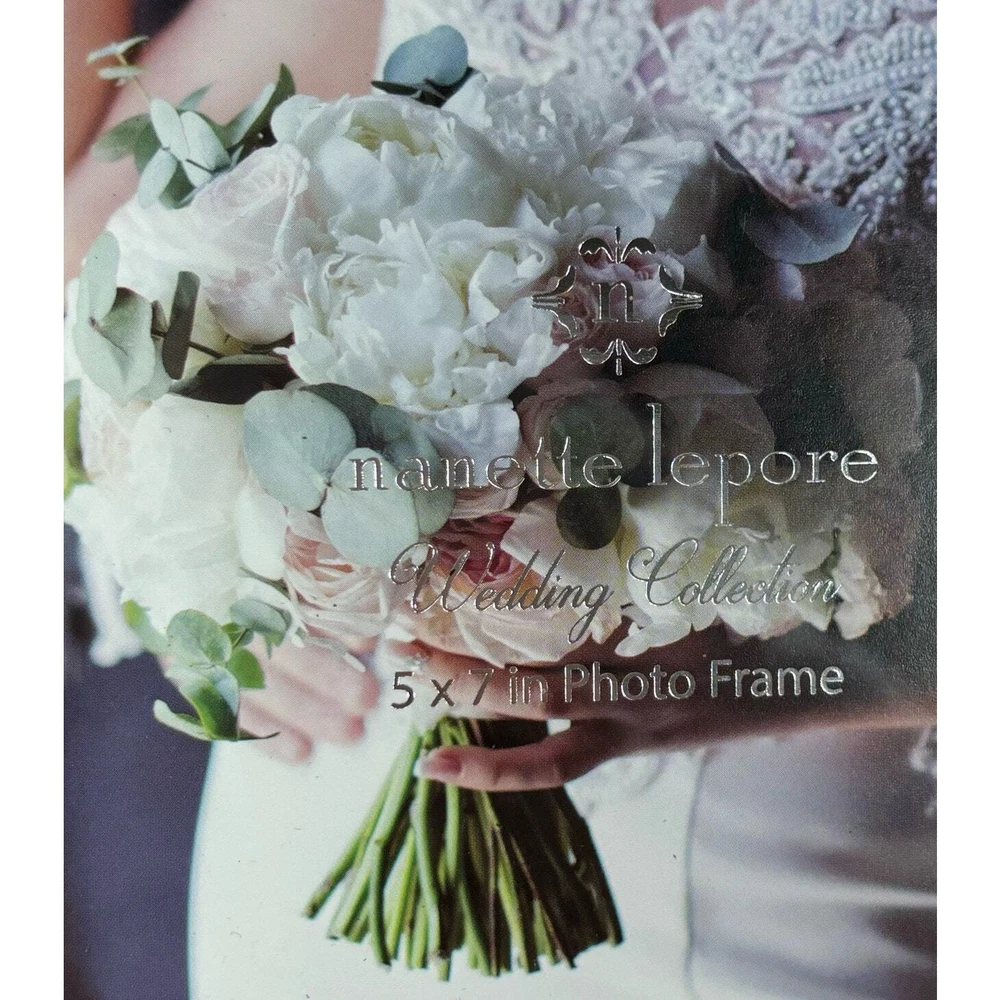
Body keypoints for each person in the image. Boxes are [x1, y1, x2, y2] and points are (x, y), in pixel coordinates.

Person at [66, 1, 937, 997]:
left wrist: (802, 672)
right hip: (334, 782)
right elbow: (95, 262)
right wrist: (193, 563)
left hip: (768, 861)